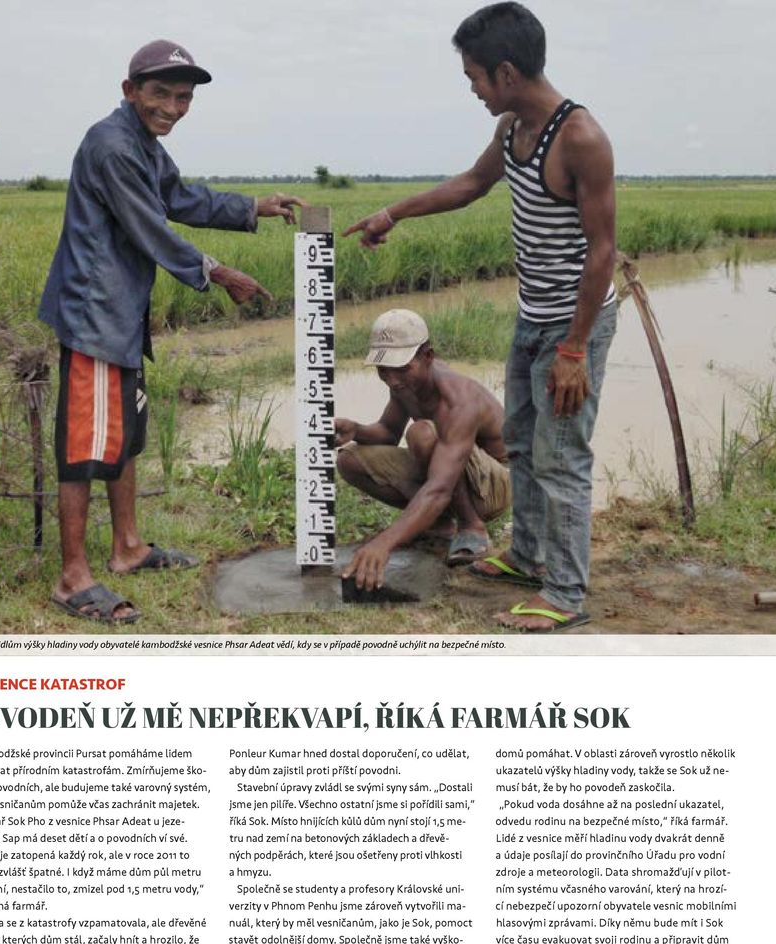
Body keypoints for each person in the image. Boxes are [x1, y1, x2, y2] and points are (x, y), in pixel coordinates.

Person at [343, 3, 617, 632]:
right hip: (532, 316)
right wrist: (394, 212)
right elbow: (471, 184)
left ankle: (566, 594)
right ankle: (526, 556)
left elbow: (602, 251)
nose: (471, 88)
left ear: (507, 72)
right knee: (521, 442)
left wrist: (575, 348)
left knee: (561, 454)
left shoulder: (580, 138)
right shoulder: (510, 130)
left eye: (474, 77)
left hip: (575, 323)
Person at [39, 39, 304, 623]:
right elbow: (149, 228)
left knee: (126, 434)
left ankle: (129, 547)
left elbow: (178, 197)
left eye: (183, 98)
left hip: (121, 314)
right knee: (86, 446)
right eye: (160, 93)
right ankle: (72, 576)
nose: (173, 107)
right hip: (94, 315)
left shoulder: (144, 144)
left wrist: (252, 206)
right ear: (130, 90)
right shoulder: (112, 146)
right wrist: (216, 272)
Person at [338, 309, 510, 592]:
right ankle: (439, 523)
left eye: (401, 368)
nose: (392, 380)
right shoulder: (405, 381)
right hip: (449, 473)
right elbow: (388, 432)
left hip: (494, 486)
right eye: (384, 370)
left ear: (427, 356)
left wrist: (384, 543)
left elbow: (440, 488)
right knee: (350, 461)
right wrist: (356, 430)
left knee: (421, 434)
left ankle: (471, 527)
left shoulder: (459, 399)